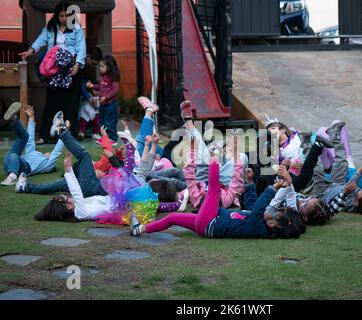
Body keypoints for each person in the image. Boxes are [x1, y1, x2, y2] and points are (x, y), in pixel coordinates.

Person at [129, 155, 304, 239]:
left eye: (274, 213)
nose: (271, 210)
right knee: (173, 218)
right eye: (276, 209)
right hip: (205, 223)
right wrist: (249, 184)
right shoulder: (259, 223)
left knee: (214, 189)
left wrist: (277, 186)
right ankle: (141, 229)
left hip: (210, 222)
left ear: (274, 225)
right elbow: (252, 207)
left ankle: (213, 157)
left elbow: (260, 207)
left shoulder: (259, 228)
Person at [19, 0, 86, 143]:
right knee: (52, 102)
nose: (64, 19)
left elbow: (81, 47)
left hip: (72, 68)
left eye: (67, 15)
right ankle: (46, 136)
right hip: (55, 70)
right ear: (56, 16)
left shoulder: (76, 28)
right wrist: (31, 50)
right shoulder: (50, 28)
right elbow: (40, 40)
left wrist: (77, 65)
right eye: (61, 16)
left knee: (70, 103)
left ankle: (68, 137)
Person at [1, 103, 64, 186]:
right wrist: (31, 117)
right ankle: (13, 119)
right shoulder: (33, 152)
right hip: (10, 161)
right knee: (24, 137)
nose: (50, 152)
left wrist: (64, 134)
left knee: (14, 156)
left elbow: (56, 152)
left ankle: (12, 177)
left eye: (51, 154)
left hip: (23, 167)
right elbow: (30, 139)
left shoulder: (47, 165)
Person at [87, 55, 120, 145]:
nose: (100, 68)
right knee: (102, 121)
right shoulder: (102, 77)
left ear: (109, 67)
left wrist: (106, 97)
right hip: (103, 104)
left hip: (111, 104)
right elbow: (100, 87)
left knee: (110, 122)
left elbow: (115, 90)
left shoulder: (113, 78)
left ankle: (112, 138)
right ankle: (105, 137)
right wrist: (93, 86)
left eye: (102, 66)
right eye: (100, 66)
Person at [77, 47, 104, 141]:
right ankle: (81, 131)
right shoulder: (79, 64)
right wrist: (88, 97)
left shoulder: (89, 68)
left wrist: (93, 91)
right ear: (88, 56)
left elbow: (88, 82)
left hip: (87, 97)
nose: (94, 66)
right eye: (93, 63)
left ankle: (93, 132)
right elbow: (80, 83)